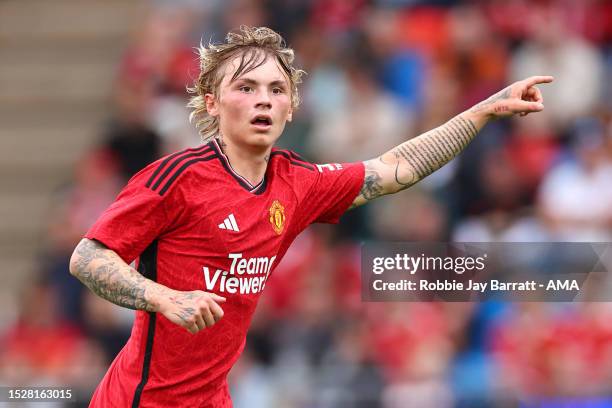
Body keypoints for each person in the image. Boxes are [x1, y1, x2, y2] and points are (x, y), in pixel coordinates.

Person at [69, 26, 553, 407]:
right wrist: (162, 297)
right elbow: (88, 257)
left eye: (276, 89)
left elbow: (394, 169)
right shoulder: (175, 177)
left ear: (291, 108)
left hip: (213, 399)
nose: (263, 98)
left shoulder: (296, 182)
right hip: (141, 399)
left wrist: (480, 114)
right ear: (212, 104)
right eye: (246, 86)